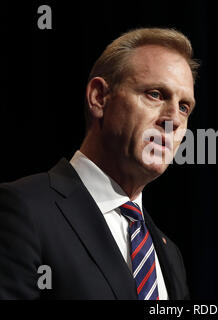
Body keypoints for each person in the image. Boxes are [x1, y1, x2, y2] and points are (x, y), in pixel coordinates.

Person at [0, 27, 199, 300]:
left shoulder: (169, 253)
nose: (173, 120)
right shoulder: (23, 209)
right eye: (155, 94)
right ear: (99, 98)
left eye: (184, 107)